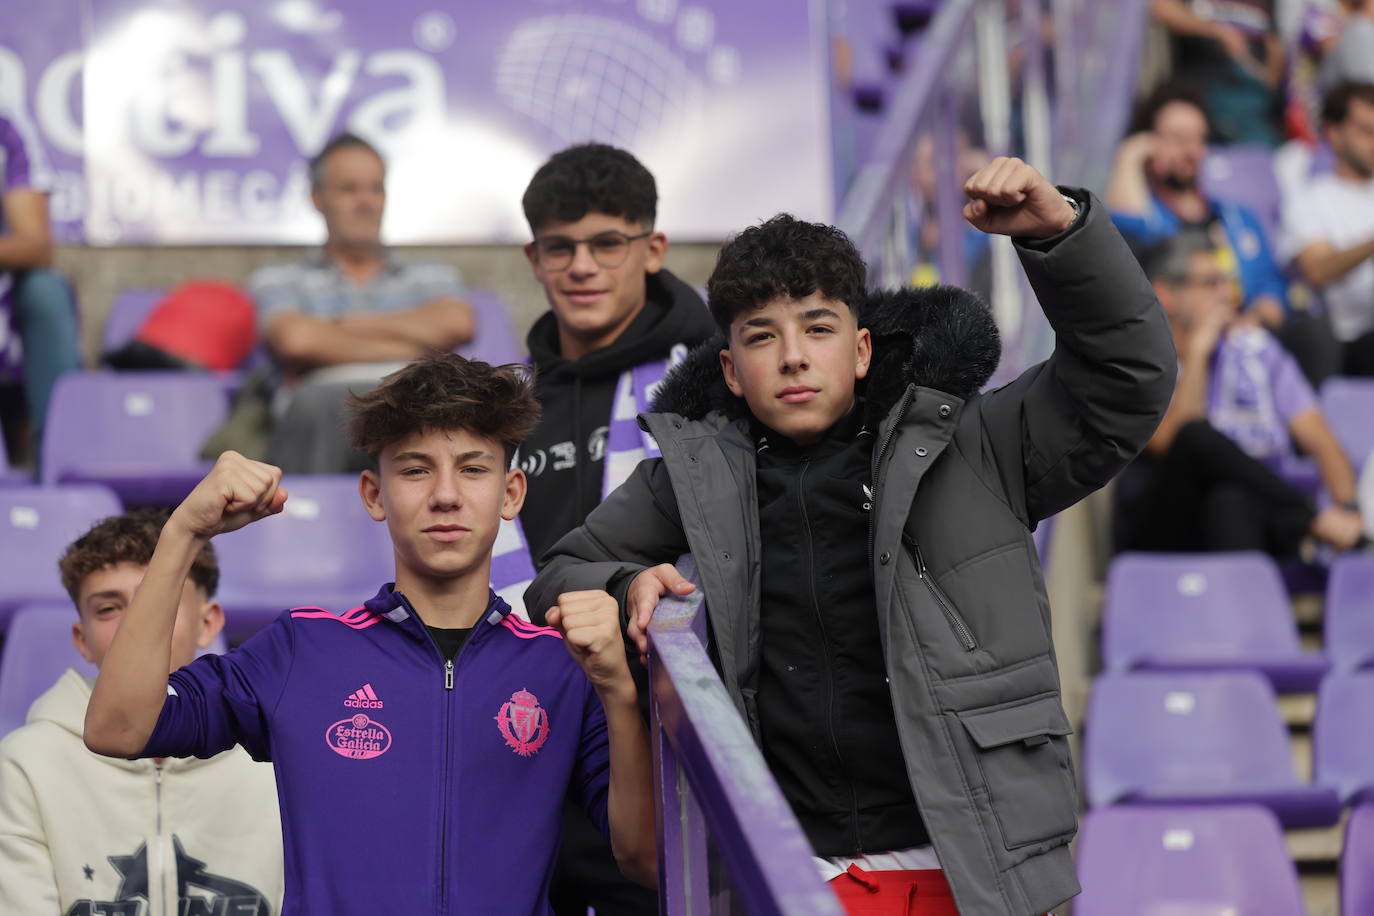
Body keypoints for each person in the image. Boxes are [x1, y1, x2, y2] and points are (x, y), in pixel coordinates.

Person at [528, 158, 1178, 916]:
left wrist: (1062, 236)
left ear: (862, 350)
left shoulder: (974, 441)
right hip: (789, 874)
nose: (794, 355)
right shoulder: (695, 475)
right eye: (762, 337)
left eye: (819, 327)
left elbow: (1127, 381)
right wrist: (624, 583)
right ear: (732, 372)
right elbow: (562, 568)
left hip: (975, 871)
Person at [82, 354, 657, 914]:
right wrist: (183, 532)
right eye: (415, 469)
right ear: (374, 494)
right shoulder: (302, 650)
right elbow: (117, 728)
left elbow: (645, 861)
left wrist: (620, 693)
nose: (446, 495)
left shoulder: (564, 666)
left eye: (473, 468)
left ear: (511, 494)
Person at [508, 143, 714, 916]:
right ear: (533, 257)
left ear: (653, 248)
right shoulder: (505, 406)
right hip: (532, 726)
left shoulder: (713, 382)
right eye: (560, 247)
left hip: (671, 724)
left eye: (607, 243)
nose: (582, 266)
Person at [0, 509, 283, 914]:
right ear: (82, 640)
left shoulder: (274, 757)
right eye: (108, 609)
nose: (137, 625)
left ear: (208, 623)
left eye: (159, 601)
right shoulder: (26, 763)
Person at [1117, 229, 1365, 555]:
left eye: (1227, 282)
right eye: (1211, 284)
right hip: (1170, 525)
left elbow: (1321, 439)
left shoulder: (1256, 350)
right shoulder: (1137, 359)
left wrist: (1348, 511)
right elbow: (1171, 441)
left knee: (1231, 499)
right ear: (1166, 294)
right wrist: (1198, 354)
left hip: (1256, 517)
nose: (1227, 295)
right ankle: (1310, 518)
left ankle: (1263, 582)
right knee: (1196, 439)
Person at [247, 132, 475, 474]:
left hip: (415, 409)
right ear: (317, 198)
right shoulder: (279, 278)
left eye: (376, 188)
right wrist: (418, 349)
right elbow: (296, 341)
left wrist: (343, 327)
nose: (366, 201)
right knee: (323, 404)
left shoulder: (431, 274)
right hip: (320, 417)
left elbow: (458, 324)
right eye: (349, 189)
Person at [1108, 82, 1291, 331]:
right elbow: (1127, 240)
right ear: (1148, 143)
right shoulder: (1146, 221)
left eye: (1199, 139)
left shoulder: (1237, 217)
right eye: (1178, 139)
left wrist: (1256, 319)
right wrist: (1129, 158)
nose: (1192, 151)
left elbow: (1271, 283)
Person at [0, 108, 80, 468]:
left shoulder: (6, 128)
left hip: (7, 307)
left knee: (46, 290)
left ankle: (56, 466)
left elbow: (36, 246)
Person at [1283, 81, 1374, 375]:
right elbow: (1317, 270)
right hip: (1346, 336)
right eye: (1366, 131)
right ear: (1334, 133)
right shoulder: (1310, 199)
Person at [1150, 0, 1286, 146]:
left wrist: (1263, 78)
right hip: (1201, 85)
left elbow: (1275, 48)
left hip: (1252, 92)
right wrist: (1217, 32)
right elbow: (1161, 9)